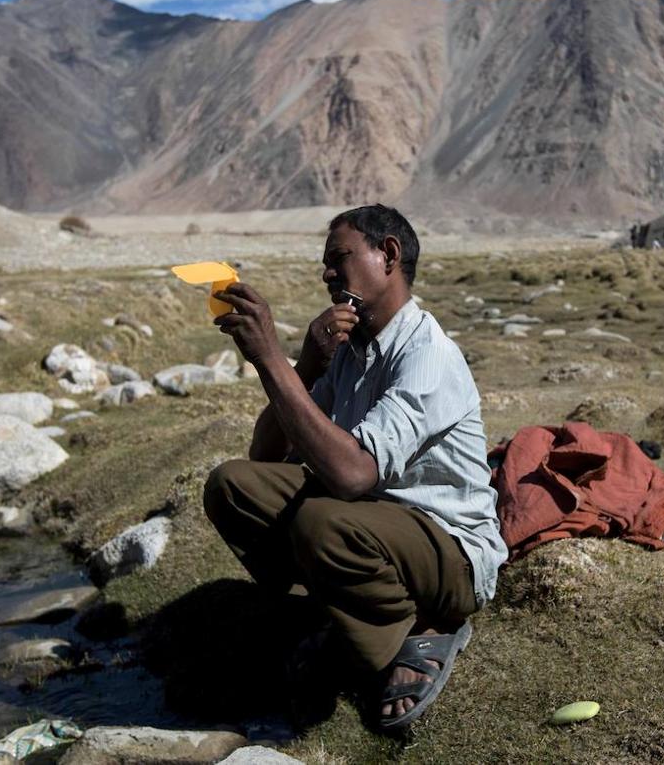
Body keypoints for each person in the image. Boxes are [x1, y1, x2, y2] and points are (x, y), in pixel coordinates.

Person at [202, 204, 506, 732]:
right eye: (325, 263)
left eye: (338, 257)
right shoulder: (348, 351)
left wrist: (267, 359)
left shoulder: (426, 354)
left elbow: (350, 476)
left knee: (322, 521)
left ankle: (416, 629)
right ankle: (328, 611)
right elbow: (265, 457)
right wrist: (303, 365)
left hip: (449, 551)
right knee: (232, 486)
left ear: (387, 255)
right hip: (369, 525)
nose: (326, 273)